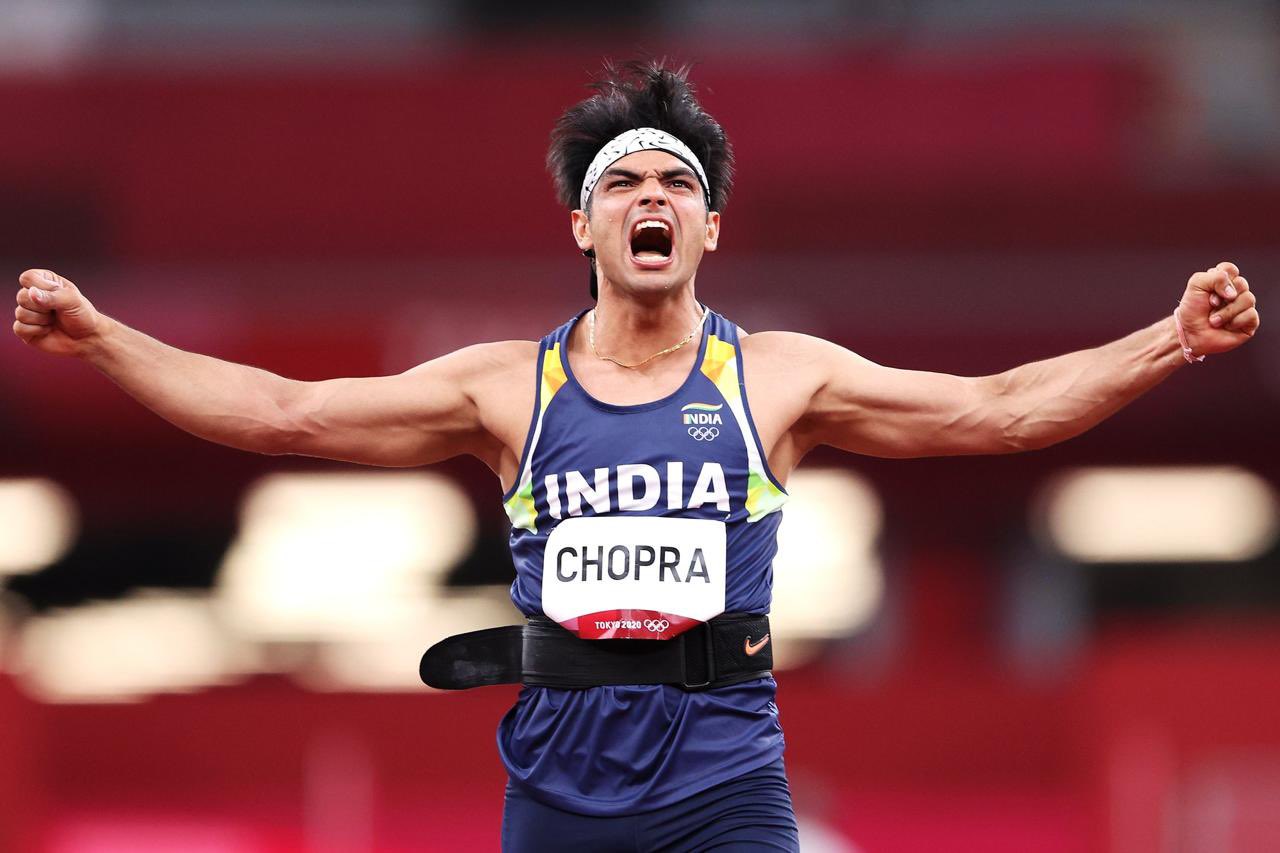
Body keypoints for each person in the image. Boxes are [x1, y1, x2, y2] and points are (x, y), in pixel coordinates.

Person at [11, 60, 1261, 852]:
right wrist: (109, 341)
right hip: (558, 792)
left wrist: (1167, 340)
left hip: (723, 783)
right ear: (582, 222)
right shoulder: (508, 386)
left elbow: (997, 411)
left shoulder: (775, 374)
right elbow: (284, 414)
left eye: (676, 180)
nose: (649, 195)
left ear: (708, 226)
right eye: (623, 182)